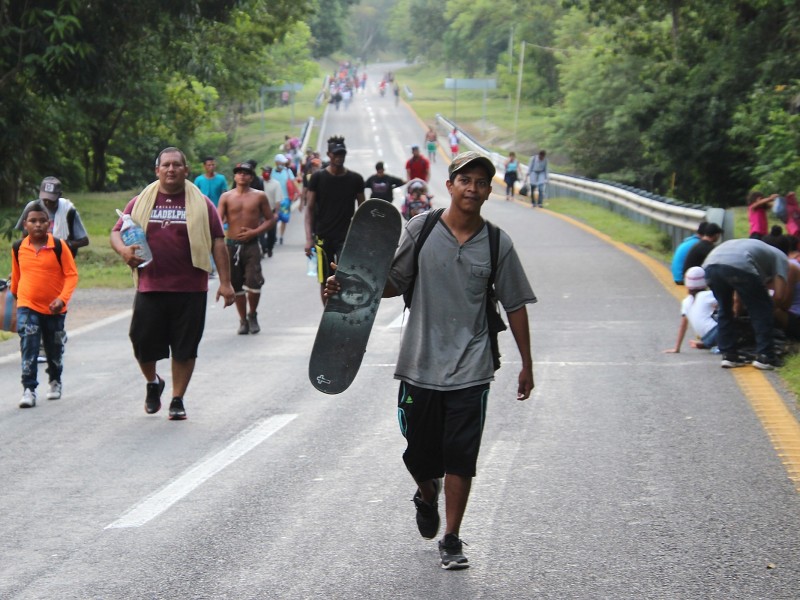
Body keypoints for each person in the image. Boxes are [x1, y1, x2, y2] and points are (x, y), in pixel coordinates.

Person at [325, 151, 536, 569]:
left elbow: (515, 305)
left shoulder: (497, 243)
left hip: (471, 367)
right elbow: (393, 282)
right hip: (420, 363)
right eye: (465, 180)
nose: (472, 188)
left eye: (480, 182)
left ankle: (452, 538)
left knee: (461, 454)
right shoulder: (420, 230)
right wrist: (347, 287)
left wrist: (528, 364)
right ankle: (427, 493)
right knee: (419, 454)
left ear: (488, 191)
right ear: (451, 184)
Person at [110, 147, 235, 420]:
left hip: (190, 288)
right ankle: (153, 382)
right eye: (165, 165)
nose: (171, 169)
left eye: (176, 165)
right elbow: (117, 231)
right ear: (157, 170)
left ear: (186, 170)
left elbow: (217, 241)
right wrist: (123, 251)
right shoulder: (141, 201)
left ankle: (177, 399)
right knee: (141, 342)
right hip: (150, 285)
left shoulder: (202, 203)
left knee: (184, 347)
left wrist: (225, 283)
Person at [11, 201, 79, 408]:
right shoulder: (18, 248)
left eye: (42, 221)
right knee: (29, 344)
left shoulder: (59, 246)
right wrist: (15, 297)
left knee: (53, 347)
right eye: (33, 221)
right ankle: (28, 389)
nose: (38, 225)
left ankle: (55, 380)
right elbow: (17, 277)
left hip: (55, 308)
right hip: (27, 305)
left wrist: (62, 299)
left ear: (49, 224)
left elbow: (71, 275)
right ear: (25, 224)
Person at [702, 238, 789, 370]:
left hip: (710, 265)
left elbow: (737, 299)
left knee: (725, 309)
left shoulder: (758, 251)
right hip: (739, 265)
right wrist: (769, 309)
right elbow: (780, 295)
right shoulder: (781, 257)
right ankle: (765, 356)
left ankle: (729, 355)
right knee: (761, 309)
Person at [305, 136, 365, 303]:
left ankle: (343, 310)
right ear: (329, 155)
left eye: (342, 153)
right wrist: (309, 239)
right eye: (336, 154)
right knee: (325, 279)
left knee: (347, 276)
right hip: (323, 237)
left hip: (346, 237)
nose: (339, 157)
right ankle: (327, 315)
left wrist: (365, 237)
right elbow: (309, 209)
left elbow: (364, 209)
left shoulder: (355, 179)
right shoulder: (318, 178)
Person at [217, 162, 275, 335]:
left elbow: (270, 219)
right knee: (236, 284)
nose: (242, 175)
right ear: (234, 177)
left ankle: (253, 314)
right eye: (239, 173)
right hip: (231, 246)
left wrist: (254, 232)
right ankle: (242, 320)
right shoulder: (226, 197)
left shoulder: (259, 196)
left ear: (251, 177)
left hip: (251, 246)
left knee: (254, 281)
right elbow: (218, 220)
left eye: (246, 173)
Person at [16, 176, 90, 256]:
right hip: (35, 257)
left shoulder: (68, 211)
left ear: (59, 195)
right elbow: (24, 236)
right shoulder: (32, 208)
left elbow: (84, 241)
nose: (47, 203)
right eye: (45, 199)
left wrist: (64, 245)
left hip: (60, 260)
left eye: (51, 200)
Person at [663, 266, 719, 353]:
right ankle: (710, 343)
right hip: (716, 333)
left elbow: (683, 326)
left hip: (703, 336)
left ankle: (709, 343)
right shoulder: (708, 295)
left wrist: (677, 348)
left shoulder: (686, 301)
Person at [260, 165, 283, 257]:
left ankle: (269, 248)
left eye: (267, 171)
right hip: (260, 212)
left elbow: (278, 200)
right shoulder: (259, 182)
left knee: (271, 233)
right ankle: (263, 247)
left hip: (271, 211)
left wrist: (276, 212)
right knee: (260, 232)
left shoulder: (275, 184)